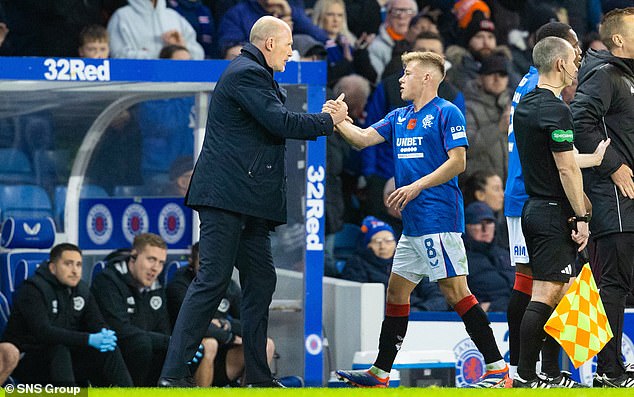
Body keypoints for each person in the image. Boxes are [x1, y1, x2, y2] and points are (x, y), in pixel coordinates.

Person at [158, 16, 347, 388]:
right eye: (289, 44)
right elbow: (283, 123)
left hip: (250, 204)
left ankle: (259, 376)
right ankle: (172, 375)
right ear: (270, 44)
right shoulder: (246, 73)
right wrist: (328, 120)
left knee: (262, 280)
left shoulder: (259, 76)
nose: (292, 52)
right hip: (226, 198)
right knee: (211, 281)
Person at [326, 51, 508, 388]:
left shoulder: (447, 112)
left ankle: (498, 369)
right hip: (413, 225)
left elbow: (458, 162)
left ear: (426, 78)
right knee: (396, 293)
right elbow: (364, 138)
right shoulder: (399, 115)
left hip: (439, 217)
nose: (401, 78)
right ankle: (379, 373)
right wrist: (340, 121)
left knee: (456, 293)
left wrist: (417, 186)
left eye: (407, 73)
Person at [504, 21, 610, 386]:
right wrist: (581, 215)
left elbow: (555, 157)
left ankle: (549, 372)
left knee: (561, 292)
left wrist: (592, 160)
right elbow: (564, 168)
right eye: (575, 59)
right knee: (547, 292)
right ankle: (525, 374)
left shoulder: (528, 104)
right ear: (561, 65)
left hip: (534, 209)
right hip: (553, 213)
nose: (579, 65)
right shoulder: (556, 109)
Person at [570, 7, 634, 388]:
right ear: (619, 41)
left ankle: (595, 361)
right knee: (610, 286)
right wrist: (612, 165)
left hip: (628, 203)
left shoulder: (626, 79)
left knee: (604, 284)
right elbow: (578, 121)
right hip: (614, 200)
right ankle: (608, 371)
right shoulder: (605, 76)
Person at [2, 243, 132, 386]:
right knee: (59, 348)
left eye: (78, 265)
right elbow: (44, 333)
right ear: (52, 267)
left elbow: (96, 322)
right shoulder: (32, 289)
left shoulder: (81, 290)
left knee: (108, 349)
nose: (75, 271)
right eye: (68, 264)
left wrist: (105, 334)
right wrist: (88, 339)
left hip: (66, 360)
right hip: (31, 360)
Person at [166, 242, 276, 387]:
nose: (212, 269)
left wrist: (226, 324)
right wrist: (228, 336)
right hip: (191, 355)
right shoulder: (180, 284)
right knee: (209, 343)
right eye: (205, 263)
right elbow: (190, 326)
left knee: (265, 344)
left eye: (217, 263)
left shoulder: (229, 285)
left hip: (223, 355)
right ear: (193, 262)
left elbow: (248, 322)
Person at [91, 233, 171, 386]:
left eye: (161, 263)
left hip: (145, 353)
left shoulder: (156, 286)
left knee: (184, 352)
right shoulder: (108, 280)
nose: (156, 268)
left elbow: (163, 328)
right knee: (142, 343)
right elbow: (120, 330)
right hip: (113, 355)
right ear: (133, 256)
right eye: (151, 259)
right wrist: (167, 341)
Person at [340, 216, 448, 311]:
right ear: (367, 245)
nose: (383, 246)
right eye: (377, 242)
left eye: (388, 241)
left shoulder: (410, 261)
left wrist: (421, 310)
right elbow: (362, 302)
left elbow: (437, 297)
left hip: (418, 313)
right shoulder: (357, 264)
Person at [462, 53, 512, 183]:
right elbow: (467, 147)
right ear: (480, 78)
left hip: (510, 186)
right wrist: (498, 128)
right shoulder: (467, 106)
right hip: (479, 186)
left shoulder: (513, 104)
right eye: (491, 74)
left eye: (502, 75)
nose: (497, 79)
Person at [107, 0, 204, 59]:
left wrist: (182, 47)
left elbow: (199, 55)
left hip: (176, 89)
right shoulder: (122, 17)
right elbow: (118, 57)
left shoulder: (174, 17)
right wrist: (163, 56)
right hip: (137, 88)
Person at [463, 202, 513, 313]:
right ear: (467, 227)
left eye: (489, 222)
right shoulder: (461, 262)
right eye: (478, 223)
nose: (485, 229)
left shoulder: (507, 255)